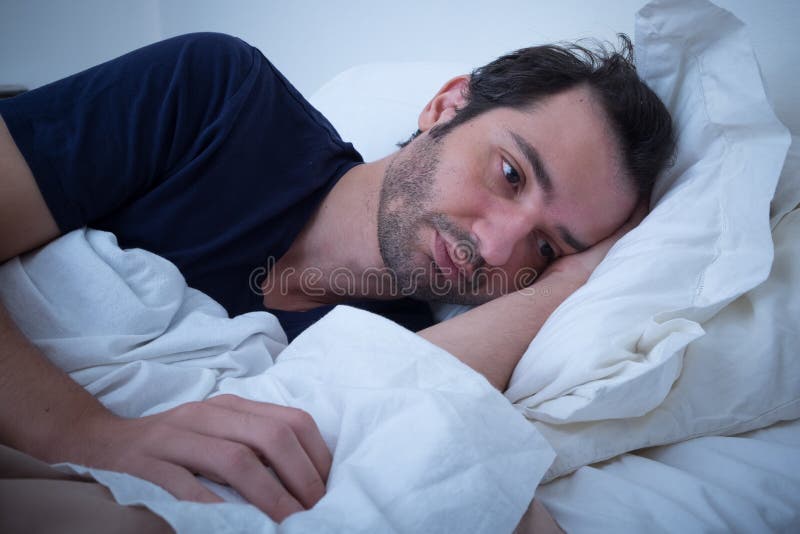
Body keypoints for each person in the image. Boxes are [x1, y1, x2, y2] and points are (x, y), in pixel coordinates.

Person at [0, 32, 673, 524]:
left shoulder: (402, 356)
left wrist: (572, 281)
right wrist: (87, 435)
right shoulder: (218, 98)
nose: (495, 249)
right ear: (445, 108)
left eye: (548, 246)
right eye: (509, 175)